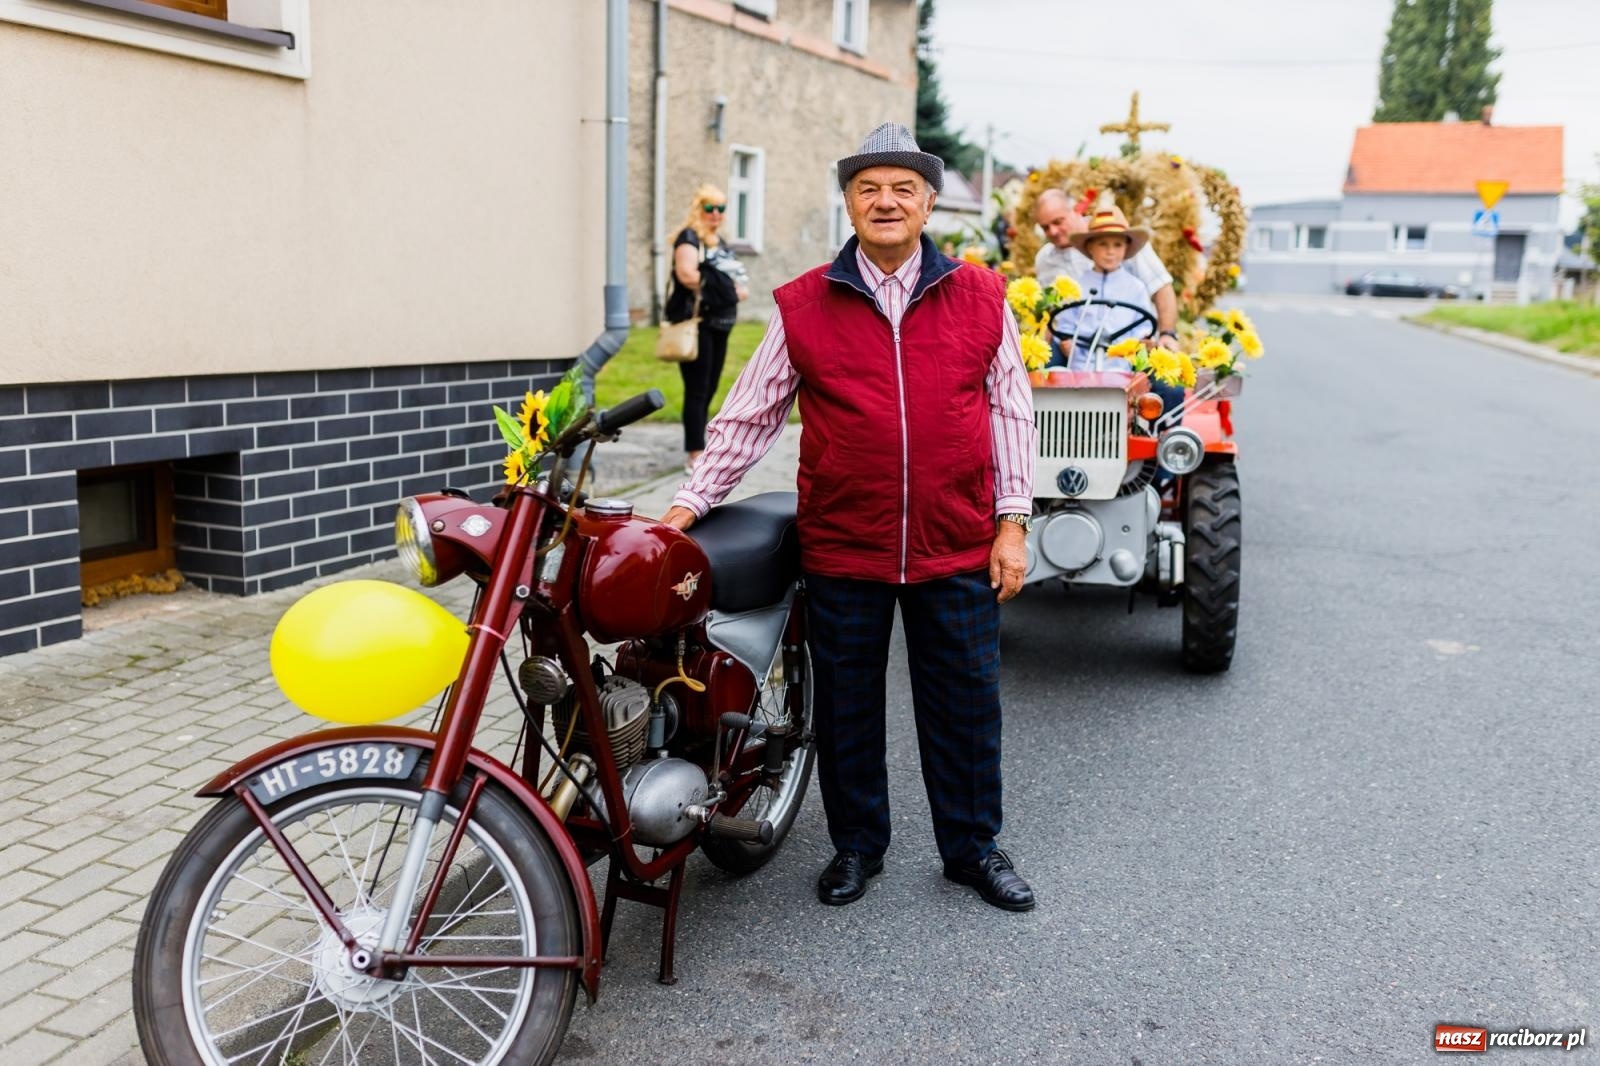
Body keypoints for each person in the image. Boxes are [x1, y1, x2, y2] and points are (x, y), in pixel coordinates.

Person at [660, 123, 1038, 913]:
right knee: (849, 704)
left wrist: (1012, 520)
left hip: (954, 539)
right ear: (849, 204)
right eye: (869, 189)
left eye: (903, 188)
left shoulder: (980, 296)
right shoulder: (803, 304)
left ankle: (972, 849)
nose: (886, 202)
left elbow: (1010, 411)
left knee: (966, 702)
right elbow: (747, 418)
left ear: (930, 202)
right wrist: (687, 503)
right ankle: (857, 846)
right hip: (844, 543)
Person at [666, 183, 748, 474]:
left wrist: (730, 289)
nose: (716, 214)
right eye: (709, 208)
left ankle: (701, 443)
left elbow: (737, 282)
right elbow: (687, 275)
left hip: (721, 324)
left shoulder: (719, 241)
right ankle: (695, 452)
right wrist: (727, 289)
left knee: (711, 386)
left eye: (721, 208)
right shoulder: (690, 238)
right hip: (698, 323)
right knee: (697, 389)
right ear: (698, 209)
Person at [1033, 188, 1181, 348]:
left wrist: (1167, 334)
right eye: (1045, 227)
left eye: (1058, 221)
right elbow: (1056, 313)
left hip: (1125, 341)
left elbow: (1160, 287)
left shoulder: (1117, 236)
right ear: (1090, 248)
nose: (1053, 231)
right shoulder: (1046, 260)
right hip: (1076, 343)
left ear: (1076, 210)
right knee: (1045, 365)